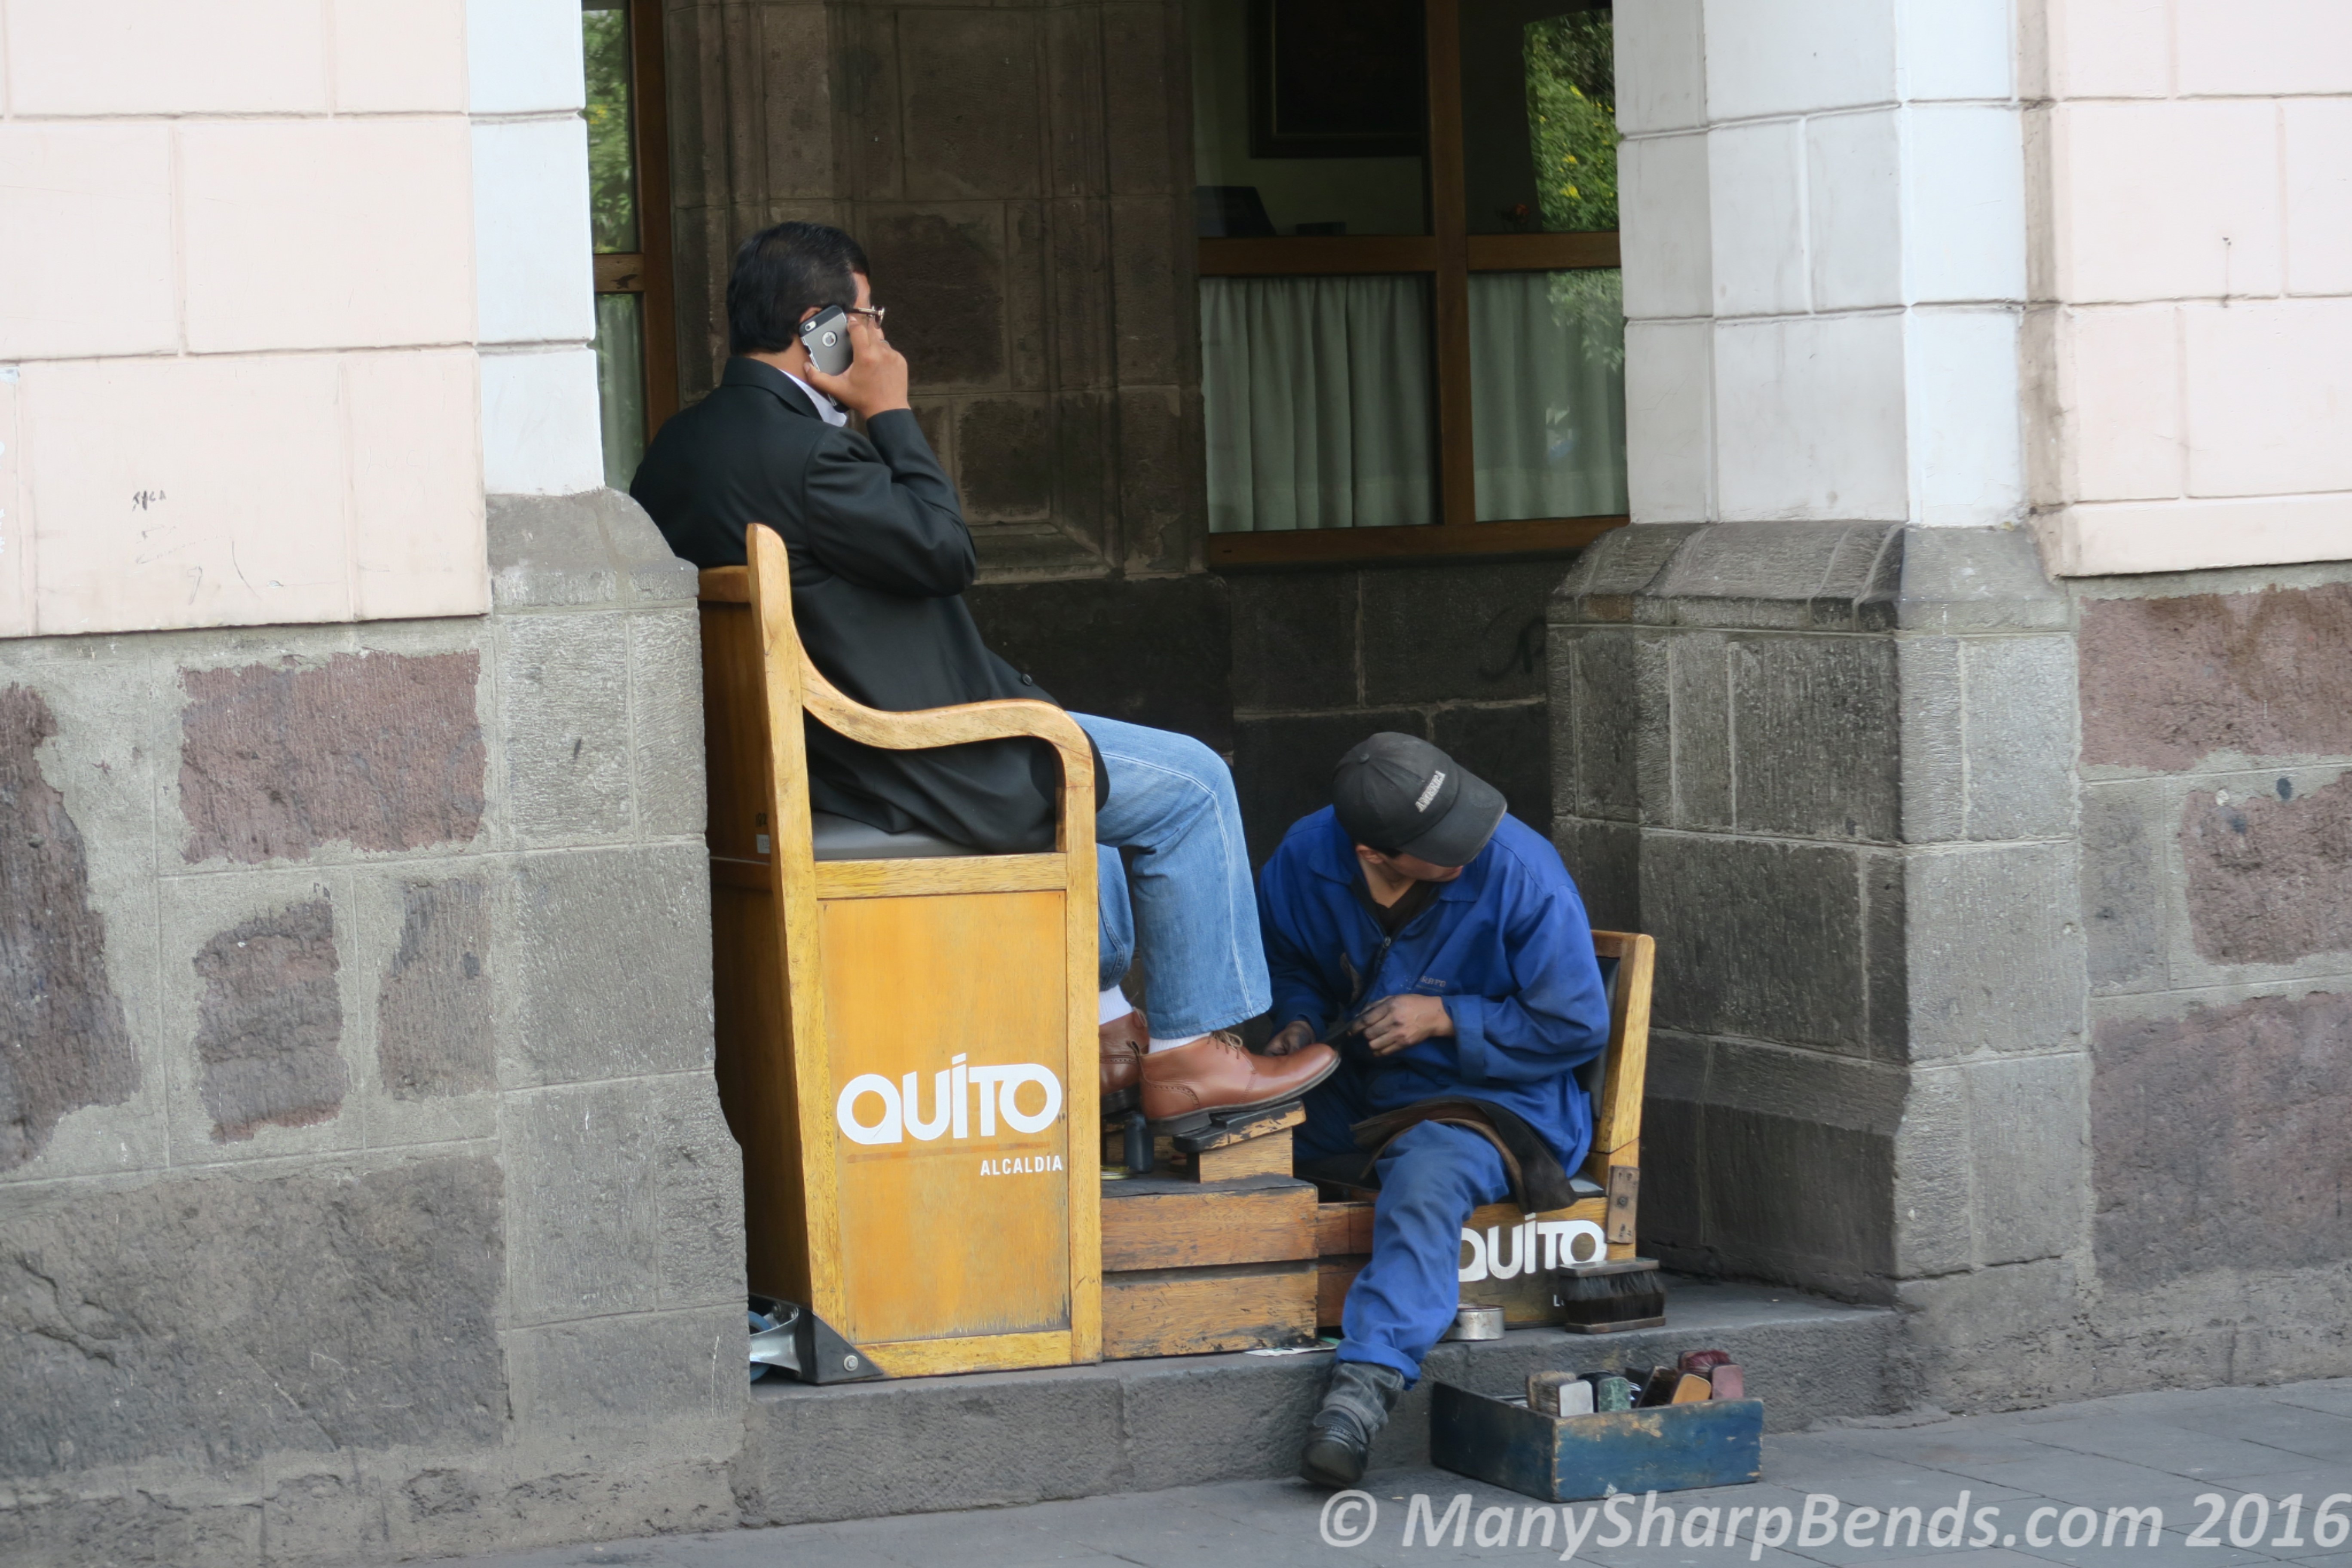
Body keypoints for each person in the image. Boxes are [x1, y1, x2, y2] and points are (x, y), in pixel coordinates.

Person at [631, 220, 1335, 1121]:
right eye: (867, 318)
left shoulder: (679, 449)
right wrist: (888, 411)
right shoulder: (808, 454)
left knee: (1100, 791)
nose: (879, 338)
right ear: (818, 328)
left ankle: (1108, 1029)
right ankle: (1192, 1055)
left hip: (825, 750)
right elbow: (947, 550)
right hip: (909, 753)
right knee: (1191, 785)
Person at [1254, 733, 1611, 1487]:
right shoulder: (1304, 856)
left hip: (1494, 1102)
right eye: (1438, 845)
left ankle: (1364, 1387)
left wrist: (1449, 1019)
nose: (1465, 849)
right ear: (1371, 852)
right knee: (1239, 1130)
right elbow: (1288, 962)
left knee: (1425, 1182)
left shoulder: (1520, 870)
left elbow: (1578, 1023)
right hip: (1361, 1086)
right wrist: (1295, 1022)